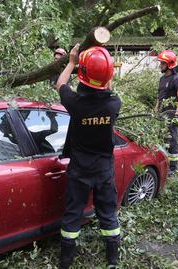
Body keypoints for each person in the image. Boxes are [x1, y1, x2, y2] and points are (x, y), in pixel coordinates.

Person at [55, 44, 121, 269]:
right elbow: (106, 87)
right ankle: (112, 260)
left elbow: (61, 84)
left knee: (73, 213)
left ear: (82, 75)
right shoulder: (114, 104)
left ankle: (66, 262)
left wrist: (72, 62)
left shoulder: (76, 104)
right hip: (103, 169)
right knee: (108, 214)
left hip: (80, 169)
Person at [155, 50, 178, 176]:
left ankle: (173, 167)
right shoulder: (162, 79)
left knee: (172, 140)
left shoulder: (177, 79)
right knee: (162, 138)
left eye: (162, 63)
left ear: (169, 64)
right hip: (162, 114)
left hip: (172, 114)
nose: (160, 65)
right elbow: (159, 97)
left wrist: (177, 115)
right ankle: (164, 162)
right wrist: (156, 110)